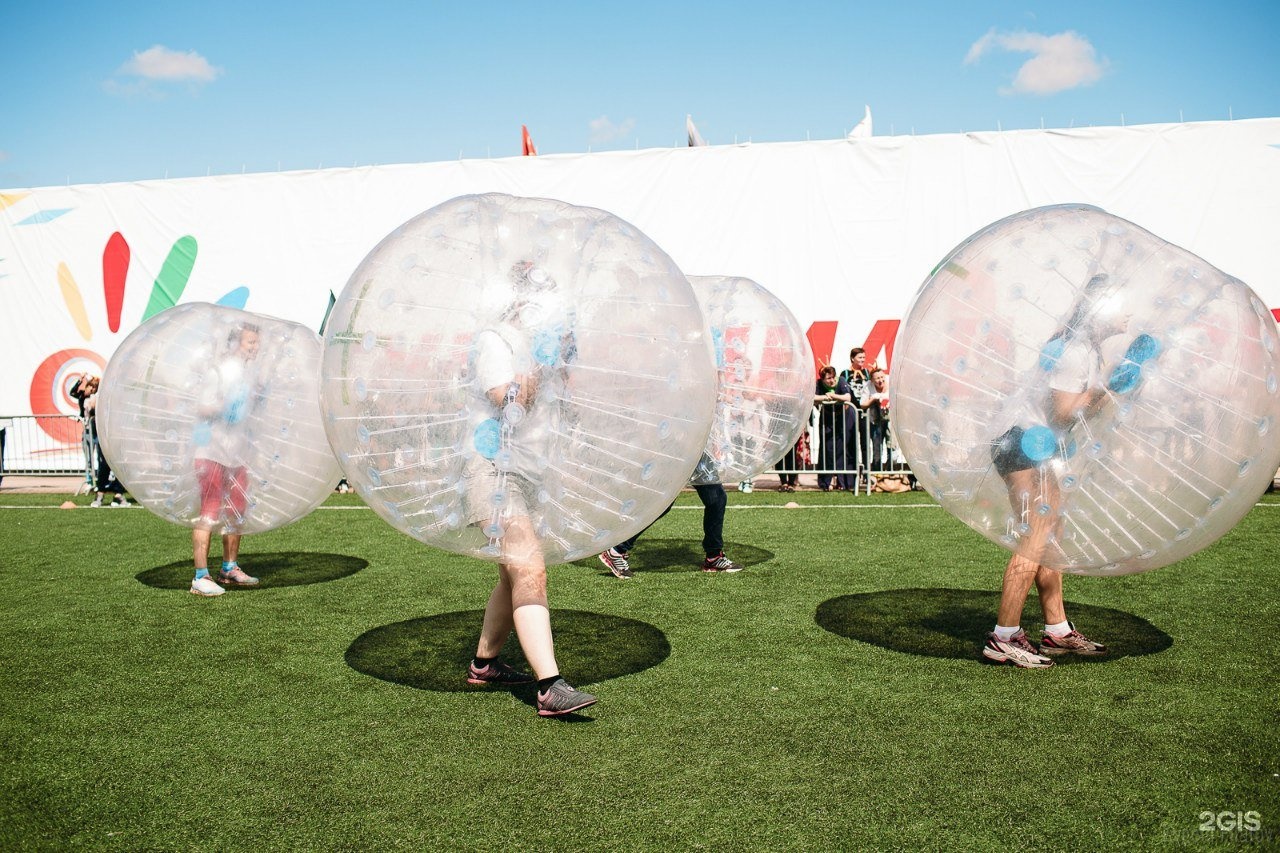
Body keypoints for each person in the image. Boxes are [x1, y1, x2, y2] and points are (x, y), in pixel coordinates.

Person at [463, 260, 596, 717]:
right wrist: (541, 360)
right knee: (531, 569)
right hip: (494, 472)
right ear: (519, 298)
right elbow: (508, 402)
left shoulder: (540, 345)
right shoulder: (494, 340)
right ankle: (549, 687)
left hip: (529, 472)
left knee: (512, 572)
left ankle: (484, 664)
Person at [982, 274, 1117, 668]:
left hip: (1034, 443)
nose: (1128, 314)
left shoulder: (1088, 350)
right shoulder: (1075, 350)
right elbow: (1062, 410)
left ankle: (1056, 630)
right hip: (1020, 440)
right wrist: (1103, 392)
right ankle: (1002, 636)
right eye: (1121, 305)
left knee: (1049, 534)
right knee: (1036, 536)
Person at [189, 324, 263, 597]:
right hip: (211, 451)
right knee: (209, 511)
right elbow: (200, 407)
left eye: (257, 342)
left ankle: (229, 568)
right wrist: (224, 404)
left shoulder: (249, 376)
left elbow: (248, 414)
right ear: (235, 344)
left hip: (237, 453)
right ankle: (200, 577)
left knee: (237, 511)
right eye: (250, 342)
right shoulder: (218, 371)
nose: (255, 347)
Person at [598, 465, 743, 580]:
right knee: (663, 504)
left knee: (717, 499)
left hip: (700, 449)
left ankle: (714, 556)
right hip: (677, 448)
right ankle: (617, 550)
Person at [70, 375, 130, 507]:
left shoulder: (116, 399)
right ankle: (100, 494)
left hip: (115, 436)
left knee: (119, 466)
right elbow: (90, 408)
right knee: (103, 464)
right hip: (103, 435)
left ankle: (118, 495)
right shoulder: (96, 398)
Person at [838, 348, 872, 489]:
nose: (862, 360)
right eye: (860, 357)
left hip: (864, 412)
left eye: (864, 357)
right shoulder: (845, 374)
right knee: (849, 444)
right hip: (850, 412)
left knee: (865, 444)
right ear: (852, 358)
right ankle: (849, 476)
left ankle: (867, 474)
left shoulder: (867, 373)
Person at [813, 365, 850, 491]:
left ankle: (842, 482)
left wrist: (834, 397)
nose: (832, 380)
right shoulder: (818, 384)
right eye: (828, 378)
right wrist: (824, 397)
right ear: (823, 379)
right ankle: (825, 482)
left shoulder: (841, 381)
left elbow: (847, 397)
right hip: (826, 419)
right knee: (826, 450)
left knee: (841, 450)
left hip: (841, 418)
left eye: (833, 377)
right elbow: (812, 397)